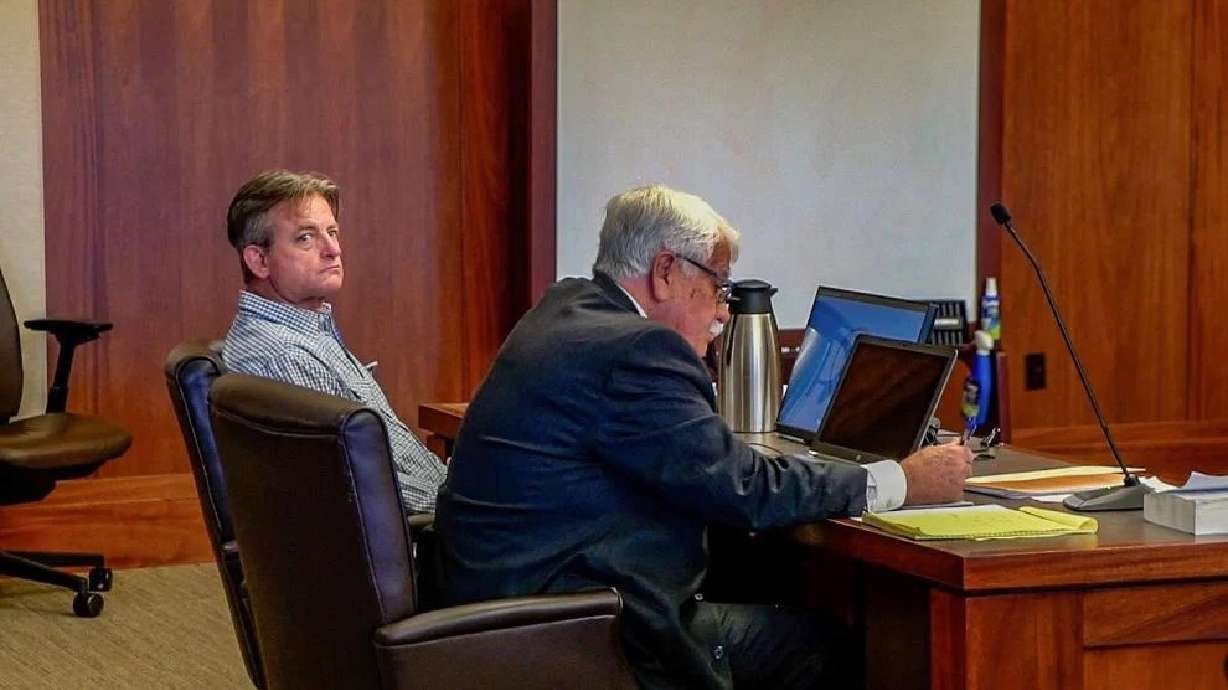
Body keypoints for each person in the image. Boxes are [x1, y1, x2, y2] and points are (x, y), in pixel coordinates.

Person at [433, 184, 972, 689]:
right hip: (572, 628)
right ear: (665, 270)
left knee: (762, 577)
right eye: (717, 286)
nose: (719, 311)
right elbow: (746, 489)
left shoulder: (565, 309)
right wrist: (899, 481)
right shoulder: (638, 351)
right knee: (824, 648)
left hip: (499, 609)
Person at [221, 169, 446, 513]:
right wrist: (466, 503)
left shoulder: (308, 329)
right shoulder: (281, 356)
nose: (334, 250)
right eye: (306, 238)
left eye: (333, 232)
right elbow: (358, 487)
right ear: (259, 260)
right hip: (426, 536)